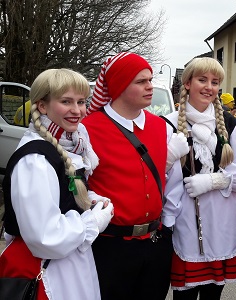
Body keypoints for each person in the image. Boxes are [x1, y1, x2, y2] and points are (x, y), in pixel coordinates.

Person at [0, 68, 114, 300]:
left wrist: (88, 201)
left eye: (81, 102)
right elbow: (45, 236)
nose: (77, 110)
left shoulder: (68, 146)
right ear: (42, 106)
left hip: (67, 263)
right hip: (44, 271)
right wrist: (91, 222)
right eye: (66, 101)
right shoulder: (35, 161)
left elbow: (58, 198)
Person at [82, 52, 187, 300]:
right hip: (110, 246)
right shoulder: (89, 129)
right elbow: (78, 185)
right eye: (141, 81)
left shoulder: (160, 126)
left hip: (154, 242)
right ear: (119, 85)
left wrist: (167, 229)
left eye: (150, 79)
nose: (150, 86)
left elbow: (171, 181)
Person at [164, 57, 236, 300]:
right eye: (202, 80)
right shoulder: (169, 123)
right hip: (186, 219)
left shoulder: (230, 124)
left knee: (213, 293)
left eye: (215, 82)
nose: (209, 87)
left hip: (223, 219)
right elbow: (161, 177)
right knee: (185, 294)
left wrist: (215, 181)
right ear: (187, 83)